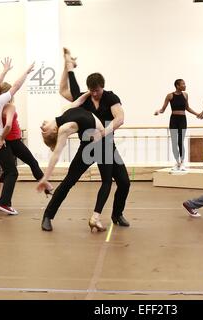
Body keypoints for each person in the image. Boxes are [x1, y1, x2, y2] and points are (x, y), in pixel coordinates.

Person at [59, 48, 131, 228]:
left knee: (124, 182)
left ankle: (117, 215)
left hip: (107, 146)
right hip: (88, 147)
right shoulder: (85, 98)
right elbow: (63, 89)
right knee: (71, 180)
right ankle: (49, 214)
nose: (94, 94)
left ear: (102, 87)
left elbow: (120, 118)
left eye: (97, 90)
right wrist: (66, 66)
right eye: (91, 91)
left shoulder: (110, 97)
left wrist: (103, 132)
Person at [37, 91, 108, 232]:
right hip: (90, 146)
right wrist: (45, 177)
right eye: (44, 130)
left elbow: (79, 100)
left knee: (110, 181)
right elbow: (56, 154)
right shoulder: (64, 128)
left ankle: (95, 218)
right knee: (69, 181)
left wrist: (90, 91)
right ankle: (47, 216)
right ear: (53, 131)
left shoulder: (65, 112)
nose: (43, 126)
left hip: (104, 143)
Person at [0, 58, 34, 215]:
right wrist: (26, 72)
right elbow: (16, 86)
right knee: (11, 172)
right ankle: (4, 203)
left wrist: (4, 70)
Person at [0, 82, 52, 202]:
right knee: (32, 162)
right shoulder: (8, 106)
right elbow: (9, 125)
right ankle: (46, 186)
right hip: (14, 141)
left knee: (7, 170)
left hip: (8, 141)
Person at [154, 79, 200, 171]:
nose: (185, 85)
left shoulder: (185, 95)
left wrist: (197, 114)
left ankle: (182, 162)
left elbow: (187, 108)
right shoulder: (170, 96)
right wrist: (158, 111)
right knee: (174, 142)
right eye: (183, 84)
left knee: (180, 141)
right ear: (177, 86)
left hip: (182, 120)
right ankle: (177, 162)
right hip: (174, 120)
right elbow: (163, 109)